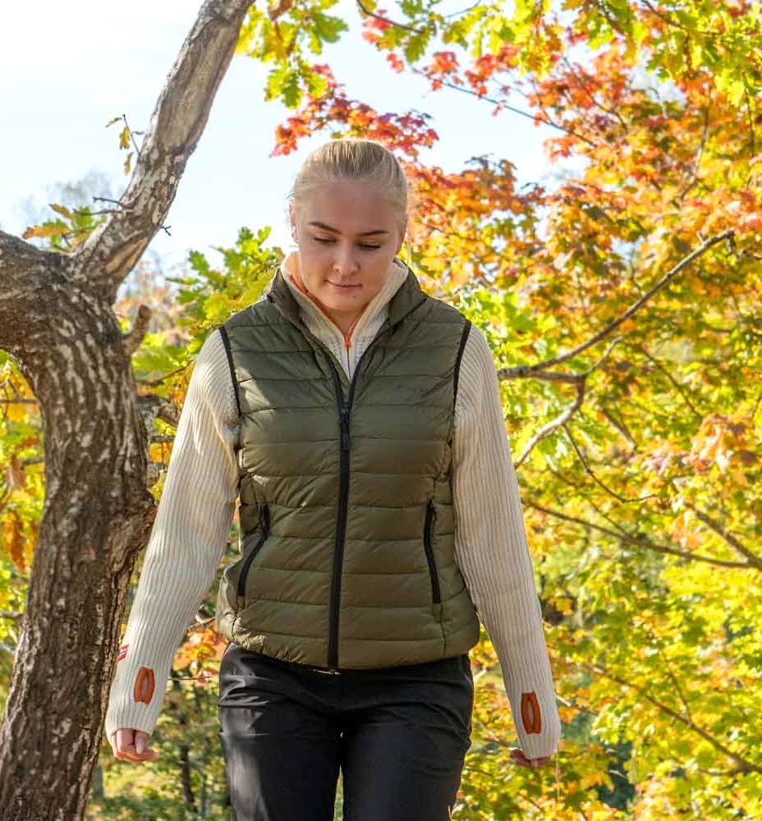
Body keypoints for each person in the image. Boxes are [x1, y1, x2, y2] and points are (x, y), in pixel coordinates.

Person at [105, 138, 560, 820]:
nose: (344, 264)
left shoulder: (455, 348)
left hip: (416, 677)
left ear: (402, 235)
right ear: (292, 223)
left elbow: (491, 534)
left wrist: (531, 698)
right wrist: (138, 684)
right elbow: (185, 534)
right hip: (272, 674)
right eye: (324, 238)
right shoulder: (234, 352)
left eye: (370, 244)